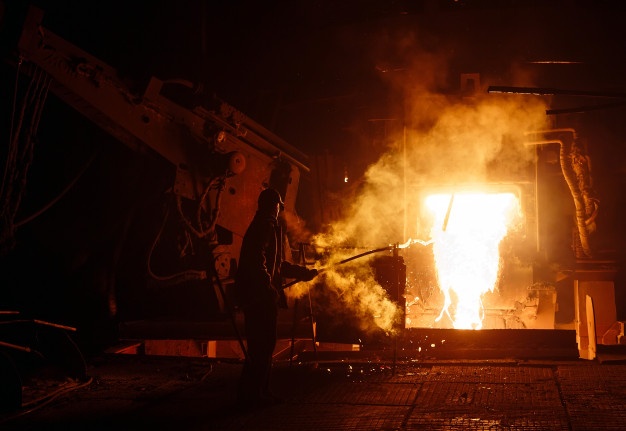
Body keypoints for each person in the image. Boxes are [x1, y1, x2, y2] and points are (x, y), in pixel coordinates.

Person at [234, 188, 318, 410]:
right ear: (275, 205)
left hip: (259, 296)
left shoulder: (265, 226)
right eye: (279, 205)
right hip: (259, 298)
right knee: (262, 345)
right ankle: (254, 394)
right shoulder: (264, 227)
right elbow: (256, 260)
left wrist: (303, 273)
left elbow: (277, 264)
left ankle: (254, 392)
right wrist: (267, 287)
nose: (280, 209)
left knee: (260, 347)